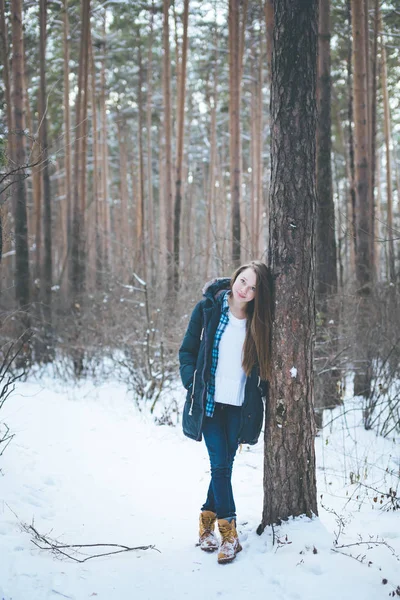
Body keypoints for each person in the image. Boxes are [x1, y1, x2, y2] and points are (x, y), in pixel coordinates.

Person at [179, 260, 273, 564]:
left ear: (259, 294)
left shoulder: (259, 321)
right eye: (243, 281)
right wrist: (191, 382)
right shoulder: (208, 309)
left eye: (253, 287)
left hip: (239, 408)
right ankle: (229, 536)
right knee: (220, 465)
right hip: (208, 404)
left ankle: (205, 528)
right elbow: (187, 350)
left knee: (224, 466)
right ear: (235, 278)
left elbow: (263, 370)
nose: (245, 289)